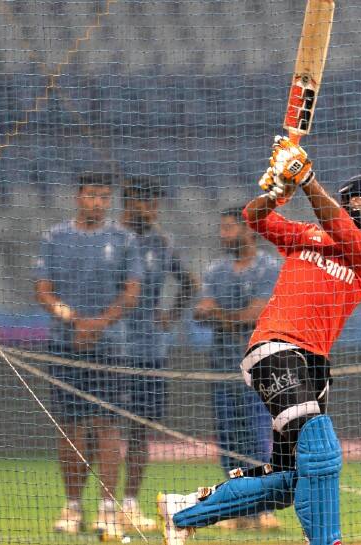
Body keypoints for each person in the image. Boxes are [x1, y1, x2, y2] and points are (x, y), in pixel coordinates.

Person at [158, 136, 361, 545]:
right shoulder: (306, 233)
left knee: (289, 479)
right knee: (322, 450)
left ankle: (183, 511)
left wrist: (307, 180)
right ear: (355, 201)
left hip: (314, 364)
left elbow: (342, 232)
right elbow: (255, 217)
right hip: (276, 347)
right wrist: (277, 191)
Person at [35, 172, 142, 540]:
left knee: (108, 427)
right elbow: (44, 291)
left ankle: (109, 508)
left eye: (103, 196)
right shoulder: (55, 237)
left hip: (111, 347)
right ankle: (72, 506)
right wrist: (73, 319)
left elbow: (131, 293)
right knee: (70, 427)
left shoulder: (124, 239)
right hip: (66, 347)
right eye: (90, 195)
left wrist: (97, 324)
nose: (97, 202)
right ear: (77, 197)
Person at [118, 176, 197, 533]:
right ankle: (91, 506)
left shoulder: (159, 243)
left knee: (138, 431)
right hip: (111, 348)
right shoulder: (111, 238)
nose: (151, 210)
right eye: (145, 202)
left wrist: (169, 316)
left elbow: (190, 284)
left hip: (149, 350)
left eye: (155, 203)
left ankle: (129, 504)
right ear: (129, 202)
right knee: (95, 427)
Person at [193, 207, 280, 531]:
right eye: (222, 228)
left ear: (249, 230)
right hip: (222, 367)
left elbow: (254, 315)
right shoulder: (216, 269)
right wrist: (229, 316)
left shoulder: (268, 268)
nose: (223, 234)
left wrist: (220, 313)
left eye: (230, 228)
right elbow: (199, 312)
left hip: (259, 369)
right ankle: (236, 509)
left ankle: (263, 509)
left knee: (257, 440)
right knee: (229, 441)